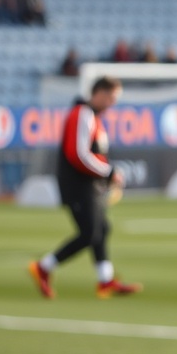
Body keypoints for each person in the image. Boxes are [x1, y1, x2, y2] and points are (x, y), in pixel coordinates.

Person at [28, 76, 142, 299]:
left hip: (90, 185)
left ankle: (105, 280)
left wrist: (105, 176)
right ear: (99, 93)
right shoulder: (82, 114)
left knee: (102, 229)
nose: (112, 103)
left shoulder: (93, 117)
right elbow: (78, 154)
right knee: (90, 233)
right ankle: (44, 267)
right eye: (111, 97)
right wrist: (108, 172)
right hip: (78, 185)